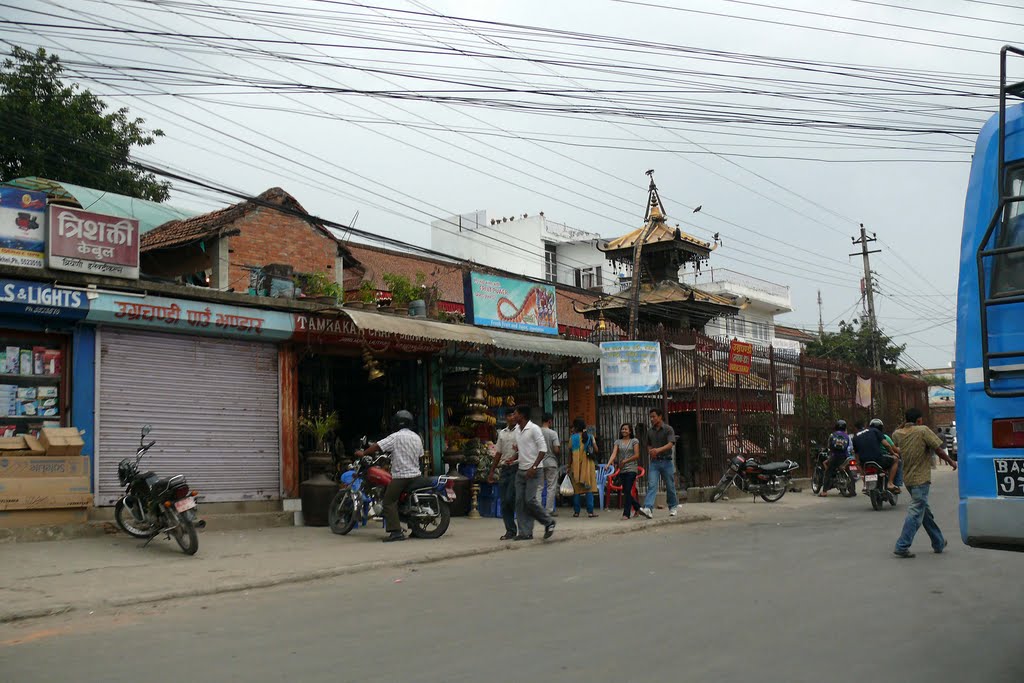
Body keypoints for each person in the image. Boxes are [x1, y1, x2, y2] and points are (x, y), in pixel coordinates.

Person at [892, 407, 957, 558]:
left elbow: (898, 432)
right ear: (919, 420)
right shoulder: (923, 430)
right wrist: (951, 461)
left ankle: (938, 542)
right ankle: (902, 545)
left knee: (925, 513)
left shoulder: (897, 434)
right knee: (916, 513)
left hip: (908, 479)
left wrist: (906, 424)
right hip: (921, 479)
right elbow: (938, 449)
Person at [356, 409, 423, 543]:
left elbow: (377, 446)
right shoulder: (417, 437)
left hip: (401, 476)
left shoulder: (396, 436)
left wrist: (364, 453)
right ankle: (414, 528)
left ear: (397, 423)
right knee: (401, 500)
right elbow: (420, 456)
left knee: (388, 501)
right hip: (416, 475)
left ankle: (396, 532)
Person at [512, 405, 556, 541]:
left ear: (522, 416)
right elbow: (524, 450)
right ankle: (525, 532)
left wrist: (534, 466)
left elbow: (543, 449)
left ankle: (548, 521)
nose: (513, 416)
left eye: (515, 414)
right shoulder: (517, 431)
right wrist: (513, 458)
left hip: (534, 470)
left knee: (530, 500)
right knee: (520, 502)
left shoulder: (534, 429)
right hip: (521, 470)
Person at [639, 409, 680, 518]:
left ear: (660, 416)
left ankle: (673, 507)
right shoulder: (650, 431)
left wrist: (657, 450)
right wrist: (650, 451)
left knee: (670, 486)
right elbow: (648, 444)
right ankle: (648, 508)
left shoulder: (668, 429)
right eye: (650, 417)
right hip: (654, 463)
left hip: (667, 461)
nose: (652, 419)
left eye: (654, 416)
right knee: (652, 484)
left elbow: (671, 444)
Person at [486, 412, 520, 541]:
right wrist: (491, 471)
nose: (511, 418)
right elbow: (498, 453)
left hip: (517, 467)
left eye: (513, 415)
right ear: (506, 418)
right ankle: (510, 530)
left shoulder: (521, 431)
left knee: (511, 497)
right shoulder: (502, 433)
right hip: (505, 468)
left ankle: (522, 527)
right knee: (504, 501)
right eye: (509, 415)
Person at [852, 419, 899, 494]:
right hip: (878, 459)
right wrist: (893, 453)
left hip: (864, 462)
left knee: (859, 466)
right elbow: (886, 444)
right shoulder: (874, 431)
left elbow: (856, 454)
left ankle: (865, 484)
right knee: (895, 460)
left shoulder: (855, 437)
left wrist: (858, 463)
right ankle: (890, 483)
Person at [606, 422, 641, 520]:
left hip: (632, 469)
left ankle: (626, 514)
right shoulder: (618, 442)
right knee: (626, 491)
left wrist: (625, 460)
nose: (624, 431)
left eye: (626, 429)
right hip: (622, 470)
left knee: (627, 490)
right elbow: (614, 454)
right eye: (622, 429)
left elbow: (637, 455)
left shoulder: (634, 441)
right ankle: (638, 508)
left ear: (630, 431)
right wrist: (608, 464)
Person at [568, 417, 599, 517]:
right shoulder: (590, 437)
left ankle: (576, 512)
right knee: (588, 489)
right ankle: (590, 512)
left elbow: (570, 454)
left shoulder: (572, 438)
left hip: (576, 466)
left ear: (576, 428)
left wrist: (569, 466)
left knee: (577, 490)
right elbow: (596, 450)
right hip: (588, 466)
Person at [819, 419, 851, 498]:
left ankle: (824, 491)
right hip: (845, 457)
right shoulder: (847, 436)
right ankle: (852, 490)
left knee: (828, 472)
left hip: (835, 457)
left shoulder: (832, 435)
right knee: (848, 471)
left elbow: (829, 445)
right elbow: (848, 447)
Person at [869, 418, 903, 487]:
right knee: (898, 461)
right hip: (882, 458)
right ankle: (895, 483)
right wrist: (897, 451)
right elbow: (894, 449)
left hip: (869, 459)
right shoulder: (885, 437)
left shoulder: (867, 438)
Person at [540, 413, 561, 516]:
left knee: (539, 487)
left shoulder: (537, 432)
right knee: (551, 487)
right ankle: (549, 510)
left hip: (539, 462)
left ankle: (538, 509)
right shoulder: (553, 433)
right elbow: (556, 449)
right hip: (551, 462)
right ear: (550, 421)